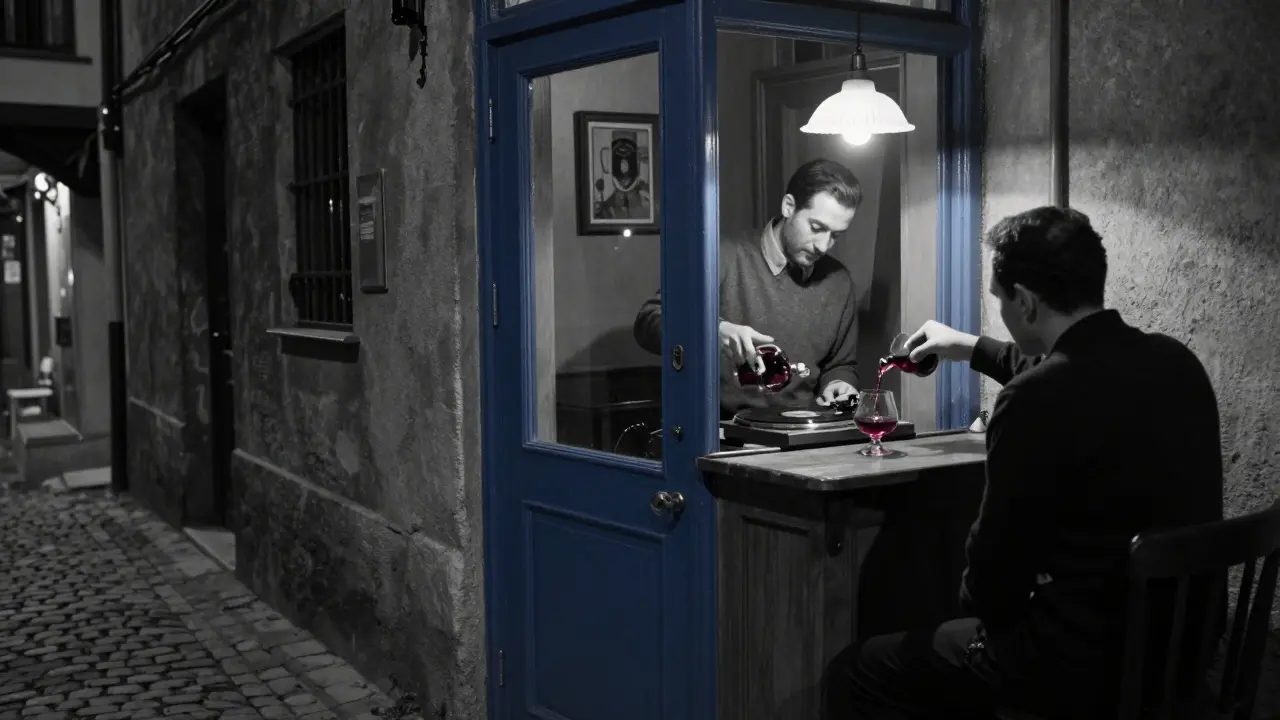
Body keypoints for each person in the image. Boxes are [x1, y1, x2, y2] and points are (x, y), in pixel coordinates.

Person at [824, 206, 1224, 718]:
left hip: (1075, 670)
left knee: (857, 671)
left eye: (1001, 300)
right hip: (1178, 657)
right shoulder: (1176, 362)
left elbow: (991, 586)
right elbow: (1066, 367)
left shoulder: (1033, 400)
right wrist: (969, 347)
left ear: (1027, 304)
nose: (1004, 313)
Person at [633, 158, 863, 418]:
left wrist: (839, 384)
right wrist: (713, 330)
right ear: (789, 206)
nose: (823, 246)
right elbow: (648, 322)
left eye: (836, 235)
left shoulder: (838, 281)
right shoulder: (720, 258)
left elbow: (841, 364)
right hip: (721, 435)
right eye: (816, 228)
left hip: (804, 438)